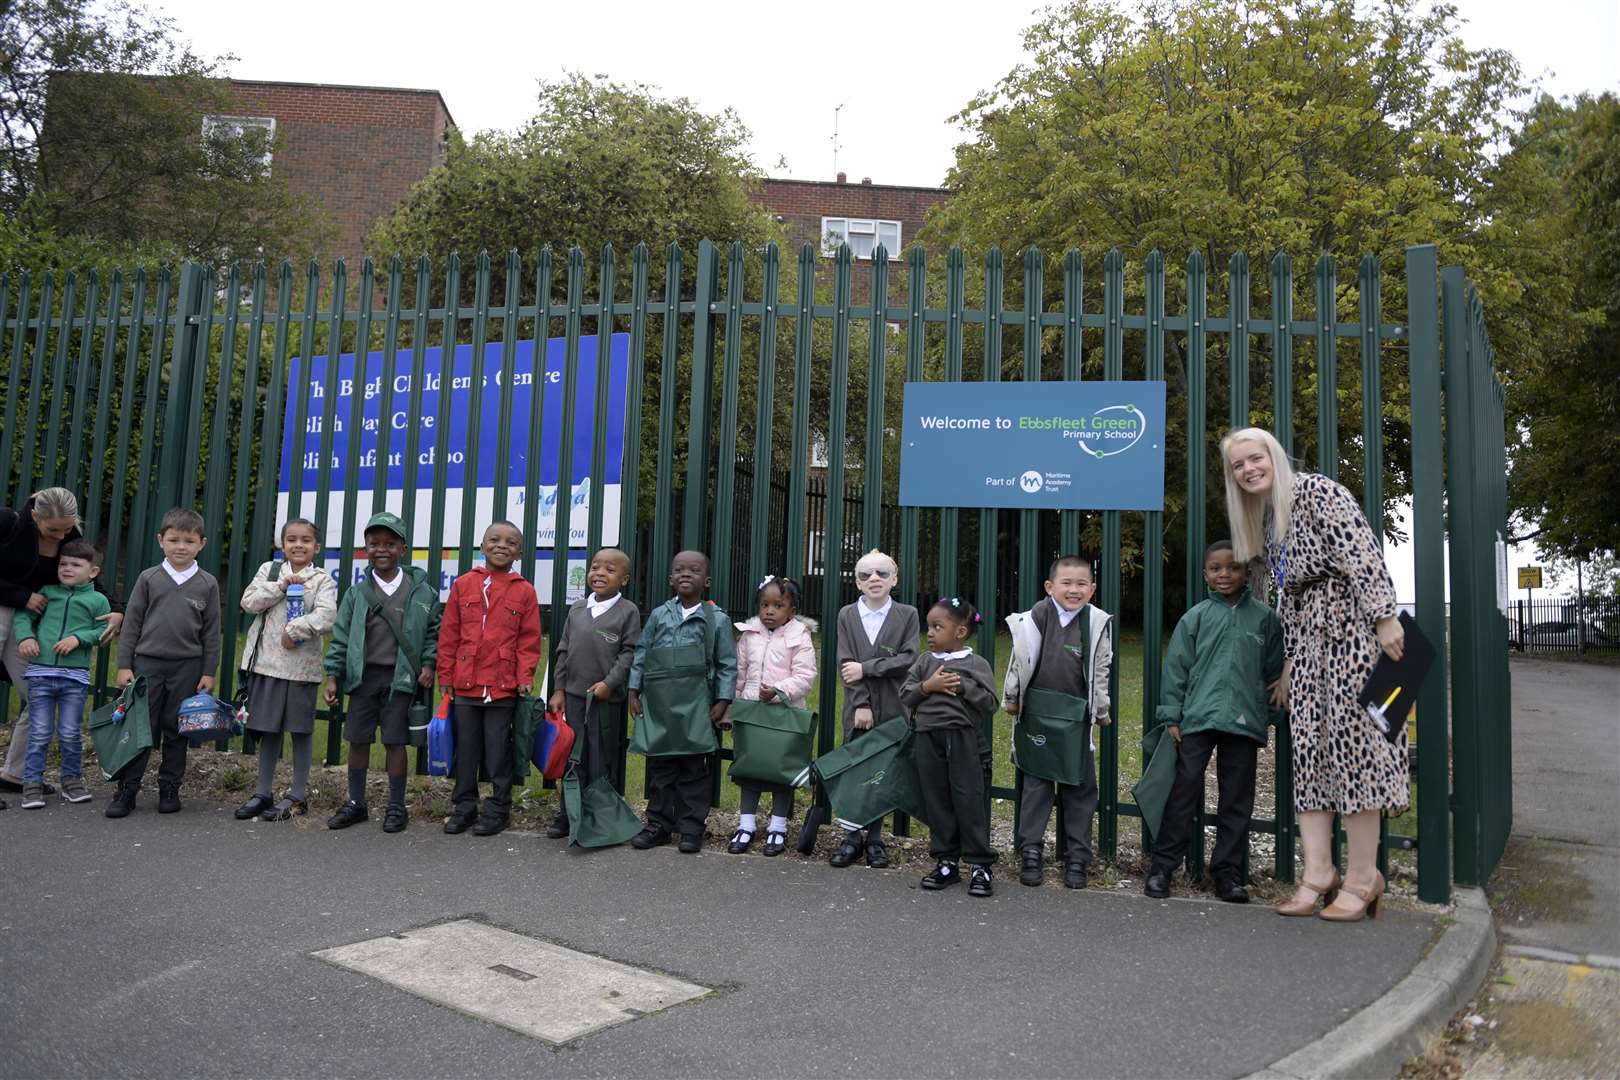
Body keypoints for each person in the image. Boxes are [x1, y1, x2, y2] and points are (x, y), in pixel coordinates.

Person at [1222, 426, 1407, 921]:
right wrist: (1289, 664)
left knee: (1358, 752)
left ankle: (1365, 877)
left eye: (1254, 458)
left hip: (1353, 635)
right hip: (1307, 649)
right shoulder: (1268, 519)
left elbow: (1361, 552)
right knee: (1310, 756)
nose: (1248, 469)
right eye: (1238, 465)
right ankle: (1319, 871)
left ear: (1274, 456)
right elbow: (1289, 596)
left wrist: (1385, 616)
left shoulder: (1318, 491)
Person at [1143, 540, 1285, 903]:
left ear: (1246, 571)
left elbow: (1274, 671)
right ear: (1205, 573)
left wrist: (1268, 715)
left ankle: (1227, 873)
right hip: (1198, 718)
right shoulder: (1197, 616)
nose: (1225, 574)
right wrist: (1172, 714)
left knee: (1236, 798)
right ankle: (1163, 867)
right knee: (1183, 790)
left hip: (1244, 720)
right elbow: (1176, 669)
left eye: (1233, 567)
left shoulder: (1266, 619)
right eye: (1216, 568)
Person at [0, 487, 123, 797]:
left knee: (37, 695)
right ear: (34, 516)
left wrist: (116, 610)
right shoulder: (7, 523)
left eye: (67, 528)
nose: (60, 536)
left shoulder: (70, 534)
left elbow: (89, 581)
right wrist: (24, 596)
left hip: (26, 621)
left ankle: (14, 775)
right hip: (11, 608)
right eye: (52, 529)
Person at [323, 512, 441, 834]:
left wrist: (429, 664)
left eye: (390, 544)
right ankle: (356, 803)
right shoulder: (356, 594)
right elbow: (342, 636)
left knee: (394, 742)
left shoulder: (423, 593)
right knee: (358, 740)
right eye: (374, 544)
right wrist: (333, 674)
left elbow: (433, 633)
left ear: (403, 549)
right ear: (366, 549)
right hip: (363, 678)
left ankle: (395, 806)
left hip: (400, 680)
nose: (382, 550)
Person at [1002, 555, 1114, 890]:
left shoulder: (1095, 622)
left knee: (1080, 788)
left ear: (1092, 589)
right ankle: (1032, 852)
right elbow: (1018, 658)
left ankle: (1078, 858)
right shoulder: (1036, 616)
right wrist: (1011, 696)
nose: (1074, 590)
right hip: (1037, 712)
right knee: (1036, 786)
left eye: (1082, 584)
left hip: (1077, 717)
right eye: (1066, 583)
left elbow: (1100, 669)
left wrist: (1101, 708)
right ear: (1050, 587)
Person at [105, 508, 222, 818]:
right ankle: (127, 790)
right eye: (173, 540)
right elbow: (131, 624)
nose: (180, 547)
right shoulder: (149, 578)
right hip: (147, 665)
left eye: (188, 541)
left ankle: (170, 787)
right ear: (161, 541)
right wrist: (124, 664)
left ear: (202, 544)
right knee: (141, 729)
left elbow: (211, 633)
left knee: (176, 729)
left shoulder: (207, 584)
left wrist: (209, 671)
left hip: (187, 667)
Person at [626, 550, 736, 854]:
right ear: (670, 578)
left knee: (693, 771)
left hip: (697, 706)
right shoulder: (660, 615)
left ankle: (691, 828)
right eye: (679, 569)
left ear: (707, 580)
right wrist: (635, 690)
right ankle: (658, 825)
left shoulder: (717, 619)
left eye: (694, 570)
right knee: (660, 769)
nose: (686, 574)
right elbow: (642, 654)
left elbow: (727, 663)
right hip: (660, 705)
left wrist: (723, 699)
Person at [436, 520, 541, 838]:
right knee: (466, 750)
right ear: (482, 546)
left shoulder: (524, 590)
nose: (501, 546)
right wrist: (446, 674)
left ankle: (498, 810)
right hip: (466, 683)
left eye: (510, 543)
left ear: (519, 553)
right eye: (494, 540)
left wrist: (524, 675)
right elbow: (449, 633)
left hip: (502, 684)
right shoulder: (464, 584)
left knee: (498, 751)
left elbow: (529, 639)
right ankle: (464, 807)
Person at [232, 518, 338, 822]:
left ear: (316, 547)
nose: (298, 545)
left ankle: (297, 795)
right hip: (266, 665)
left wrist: (295, 630)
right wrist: (281, 586)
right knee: (268, 730)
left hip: (301, 669)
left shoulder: (321, 580)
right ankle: (262, 792)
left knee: (300, 732)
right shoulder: (270, 571)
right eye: (291, 539)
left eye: (306, 540)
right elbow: (249, 602)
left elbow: (326, 616)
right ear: (283, 545)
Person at [902, 597, 999, 897]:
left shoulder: (975, 664)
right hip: (928, 737)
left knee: (968, 800)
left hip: (962, 739)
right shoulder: (924, 662)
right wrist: (926, 687)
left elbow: (990, 703)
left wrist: (963, 686)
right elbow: (906, 694)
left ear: (959, 632)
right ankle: (946, 861)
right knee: (937, 799)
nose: (929, 633)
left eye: (937, 627)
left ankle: (980, 865)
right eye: (929, 627)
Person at [831, 548, 919, 868]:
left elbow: (908, 659)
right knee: (857, 772)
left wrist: (867, 668)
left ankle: (876, 839)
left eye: (882, 572)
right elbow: (845, 665)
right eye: (866, 574)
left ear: (894, 579)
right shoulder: (847, 615)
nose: (874, 579)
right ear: (857, 582)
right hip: (858, 711)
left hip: (895, 707)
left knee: (883, 772)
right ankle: (852, 837)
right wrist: (861, 704)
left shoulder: (907, 615)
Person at [546, 547, 641, 838]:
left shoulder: (628, 612)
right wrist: (559, 689)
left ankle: (596, 816)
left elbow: (629, 654)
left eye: (610, 570)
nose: (600, 573)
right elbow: (562, 650)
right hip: (573, 699)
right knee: (572, 758)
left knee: (600, 760)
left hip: (604, 702)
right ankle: (568, 814)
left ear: (623, 579)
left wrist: (609, 684)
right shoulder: (577, 609)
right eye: (595, 567)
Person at [13, 539, 110, 808]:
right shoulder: (47, 593)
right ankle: (31, 784)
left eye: (75, 565)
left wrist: (78, 638)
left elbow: (103, 632)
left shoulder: (98, 601)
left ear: (92, 572)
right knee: (40, 731)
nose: (67, 568)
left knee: (70, 733)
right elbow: (23, 617)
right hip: (40, 674)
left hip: (73, 678)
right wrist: (24, 638)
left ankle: (72, 782)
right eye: (63, 563)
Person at [727, 574, 816, 857]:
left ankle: (778, 826)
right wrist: (733, 706)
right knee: (749, 768)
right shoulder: (748, 634)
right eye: (764, 605)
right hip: (752, 711)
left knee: (781, 770)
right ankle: (746, 824)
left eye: (778, 605)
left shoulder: (799, 637)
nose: (769, 611)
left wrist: (778, 690)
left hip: (784, 713)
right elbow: (739, 674)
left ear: (791, 609)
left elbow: (805, 675)